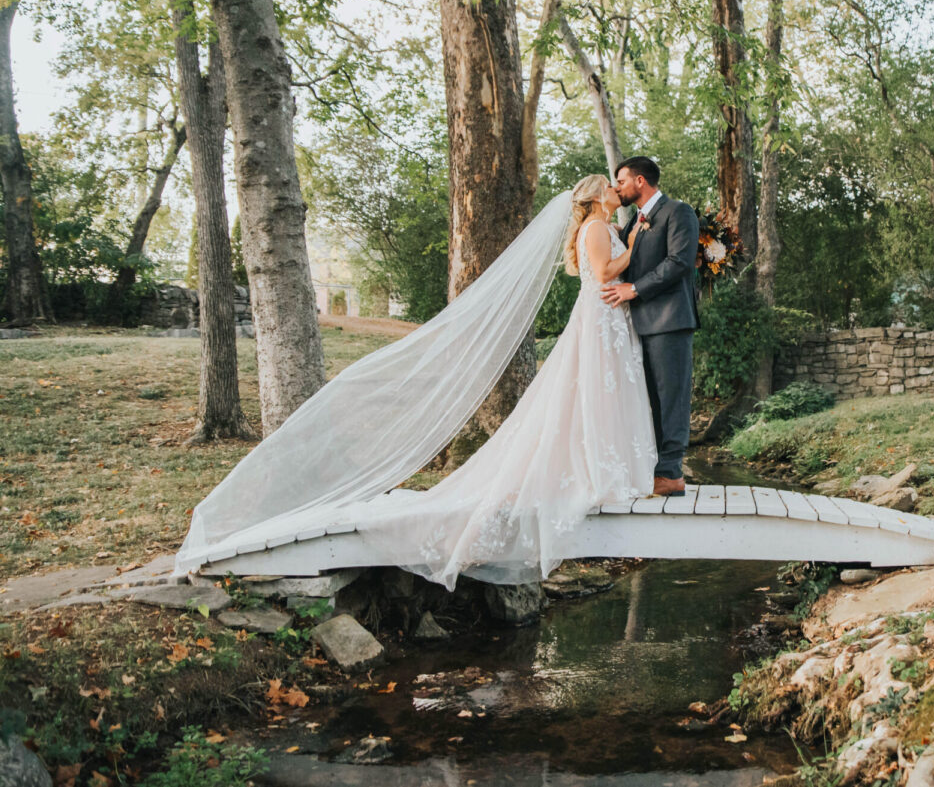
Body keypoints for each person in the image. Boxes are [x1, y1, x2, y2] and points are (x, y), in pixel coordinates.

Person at [173, 174, 659, 588]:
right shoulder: (597, 226)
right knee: (590, 394)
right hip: (601, 319)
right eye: (611, 186)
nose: (618, 189)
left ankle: (601, 467)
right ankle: (598, 471)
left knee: (593, 395)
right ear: (597, 196)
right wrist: (633, 245)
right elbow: (602, 273)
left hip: (607, 321)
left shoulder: (600, 222)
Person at [601, 157, 701, 497]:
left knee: (671, 398)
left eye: (621, 181)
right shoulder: (635, 223)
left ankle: (671, 473)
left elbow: (679, 262)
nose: (617, 188)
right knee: (649, 400)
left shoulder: (678, 212)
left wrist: (634, 289)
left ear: (640, 181)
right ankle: (652, 468)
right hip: (639, 325)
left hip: (670, 321)